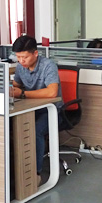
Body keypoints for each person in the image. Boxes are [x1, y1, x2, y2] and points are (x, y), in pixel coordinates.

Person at [12, 35, 63, 184]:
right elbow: (15, 85)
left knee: (35, 131)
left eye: (25, 57)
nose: (21, 61)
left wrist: (22, 94)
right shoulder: (21, 67)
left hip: (51, 111)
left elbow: (52, 92)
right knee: (11, 127)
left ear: (35, 53)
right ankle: (16, 170)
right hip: (32, 108)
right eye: (18, 57)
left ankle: (35, 174)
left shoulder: (48, 65)